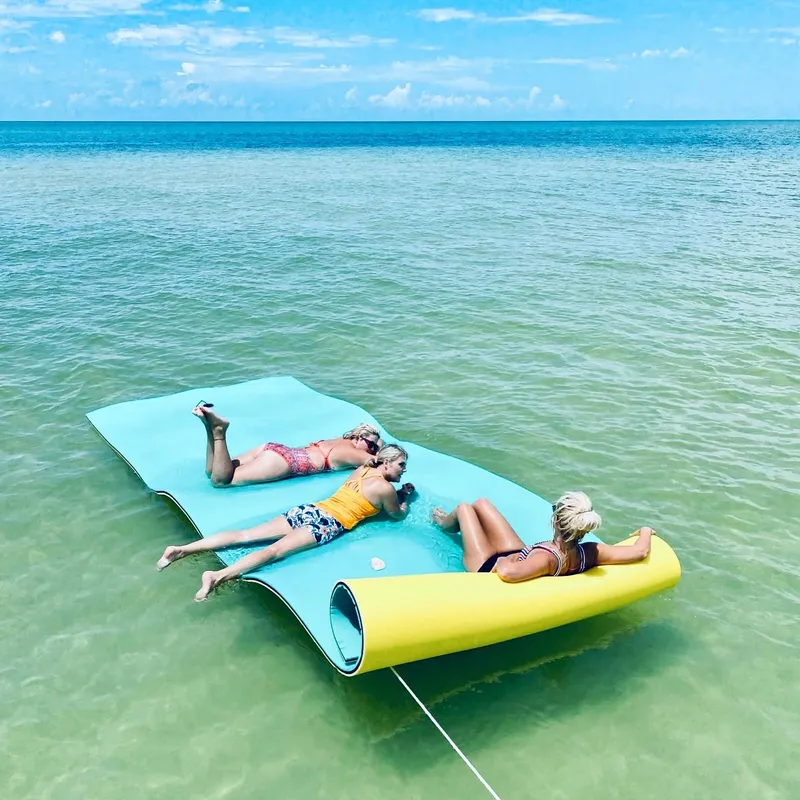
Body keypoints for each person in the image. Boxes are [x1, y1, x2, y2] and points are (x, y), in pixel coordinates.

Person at [157, 444, 415, 601]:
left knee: (246, 535)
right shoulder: (384, 488)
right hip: (328, 523)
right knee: (274, 551)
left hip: (312, 509)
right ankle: (217, 576)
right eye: (401, 465)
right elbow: (396, 514)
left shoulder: (363, 469)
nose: (403, 470)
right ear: (388, 462)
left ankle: (181, 549)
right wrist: (405, 495)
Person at [431, 491, 654, 582]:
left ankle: (441, 522)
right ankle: (448, 520)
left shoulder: (546, 557)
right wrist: (645, 531)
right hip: (520, 553)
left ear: (556, 520)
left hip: (486, 564)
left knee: (464, 508)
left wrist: (502, 560)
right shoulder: (591, 552)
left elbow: (508, 572)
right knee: (481, 504)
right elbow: (639, 551)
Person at [192, 401, 383, 487]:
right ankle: (219, 433)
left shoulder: (339, 441)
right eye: (371, 444)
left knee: (213, 471)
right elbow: (378, 462)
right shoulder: (352, 452)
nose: (372, 449)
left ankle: (209, 428)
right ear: (358, 438)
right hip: (287, 461)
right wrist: (379, 449)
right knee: (220, 481)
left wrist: (374, 441)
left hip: (274, 449)